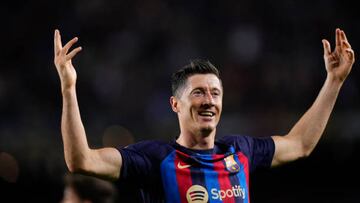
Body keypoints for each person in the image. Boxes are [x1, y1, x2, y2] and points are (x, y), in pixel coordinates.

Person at [53, 28, 355, 202]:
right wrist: (69, 88)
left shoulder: (240, 151)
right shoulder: (156, 159)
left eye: (215, 93)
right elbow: (81, 160)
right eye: (198, 92)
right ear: (176, 105)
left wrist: (334, 81)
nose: (208, 100)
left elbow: (301, 144)